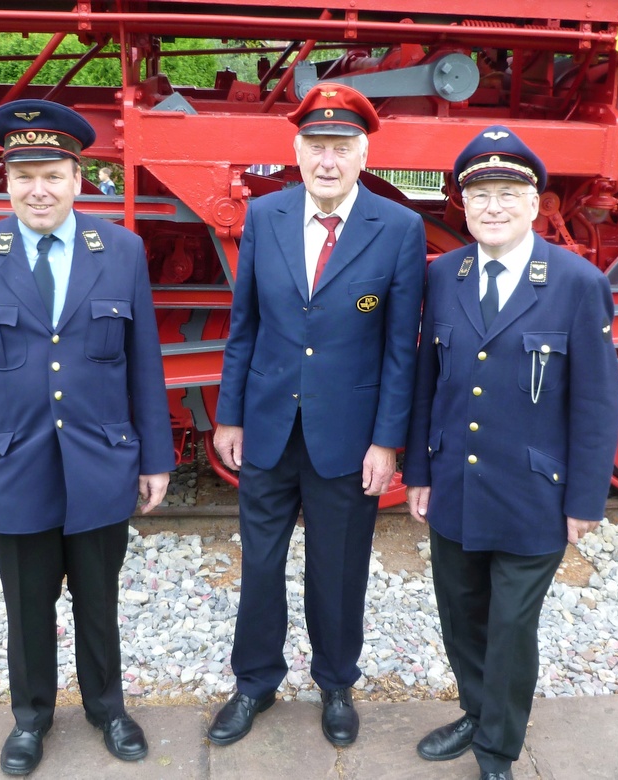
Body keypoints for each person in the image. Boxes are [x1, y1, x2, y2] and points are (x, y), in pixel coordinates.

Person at [0, 98, 174, 776]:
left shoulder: (121, 251)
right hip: (13, 465)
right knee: (27, 606)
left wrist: (156, 458)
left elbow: (145, 363)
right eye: (24, 175)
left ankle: (108, 709)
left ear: (77, 178)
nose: (39, 190)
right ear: (5, 180)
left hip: (100, 462)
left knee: (99, 599)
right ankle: (30, 719)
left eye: (53, 175)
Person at [209, 82, 426, 748]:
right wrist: (229, 416)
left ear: (363, 156)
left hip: (349, 435)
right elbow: (245, 325)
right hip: (268, 424)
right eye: (315, 146)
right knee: (260, 565)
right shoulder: (266, 216)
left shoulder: (398, 228)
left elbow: (401, 349)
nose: (327, 161)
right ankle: (254, 683)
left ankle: (336, 684)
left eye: (341, 147)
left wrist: (387, 442)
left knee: (338, 569)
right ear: (298, 152)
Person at [402, 126, 618, 780]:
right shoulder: (444, 275)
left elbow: (596, 402)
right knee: (461, 615)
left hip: (533, 493)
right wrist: (419, 471)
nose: (492, 207)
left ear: (534, 204)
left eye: (507, 193)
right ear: (463, 206)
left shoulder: (577, 283)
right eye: (479, 195)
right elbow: (427, 382)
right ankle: (475, 711)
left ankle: (497, 747)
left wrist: (585, 499)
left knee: (511, 627)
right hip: (455, 483)